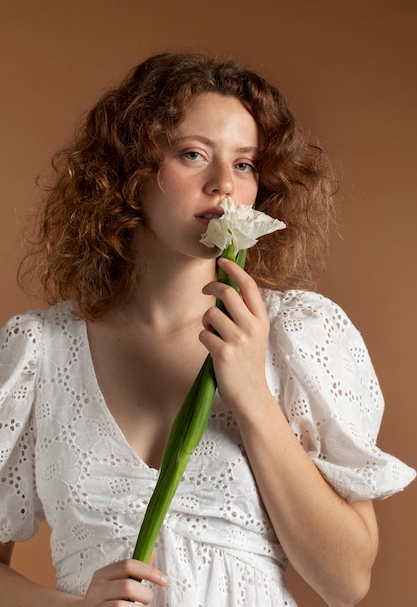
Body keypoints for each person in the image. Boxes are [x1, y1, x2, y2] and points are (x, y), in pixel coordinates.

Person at [0, 51, 414, 607]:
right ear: (129, 171)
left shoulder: (298, 333)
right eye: (193, 155)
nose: (224, 185)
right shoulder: (39, 349)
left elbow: (347, 584)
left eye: (244, 164)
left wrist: (251, 392)